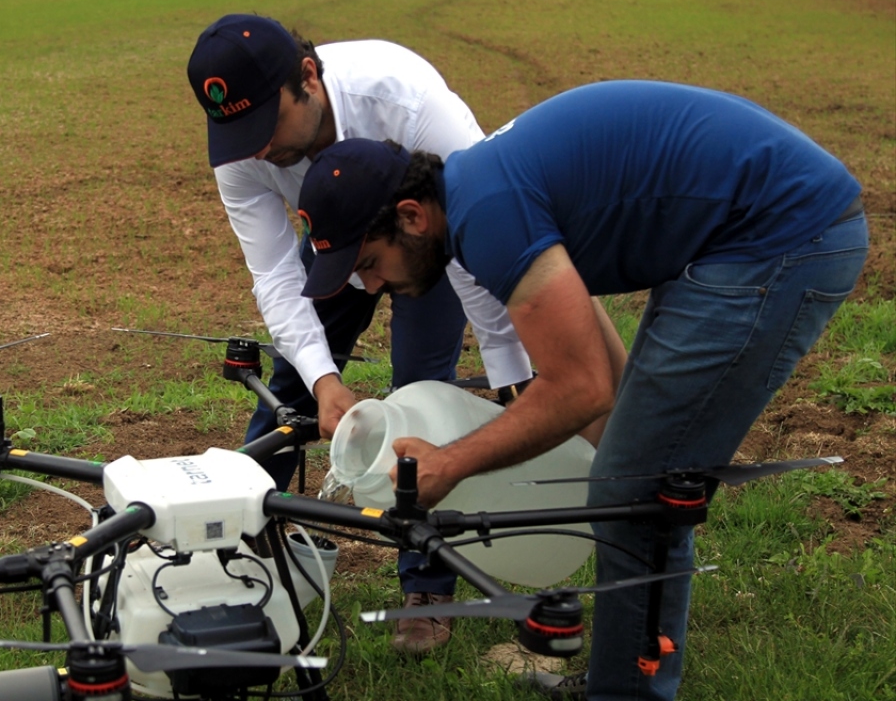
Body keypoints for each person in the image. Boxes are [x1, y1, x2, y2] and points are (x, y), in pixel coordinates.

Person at [294, 80, 868, 700]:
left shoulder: (488, 217)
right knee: (633, 482)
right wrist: (626, 447)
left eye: (370, 264)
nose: (374, 285)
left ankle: (624, 693)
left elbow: (581, 386)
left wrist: (450, 464)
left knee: (632, 492)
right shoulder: (476, 193)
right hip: (741, 234)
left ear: (411, 216)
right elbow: (605, 384)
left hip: (779, 238)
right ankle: (622, 678)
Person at [186, 14, 536, 653]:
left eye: (267, 127)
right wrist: (323, 380)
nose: (258, 149)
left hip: (427, 247)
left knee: (421, 395)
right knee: (288, 393)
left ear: (309, 79)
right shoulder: (242, 149)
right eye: (240, 135)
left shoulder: (402, 96)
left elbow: (481, 233)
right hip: (327, 252)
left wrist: (514, 374)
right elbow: (272, 274)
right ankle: (234, 555)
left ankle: (426, 583)